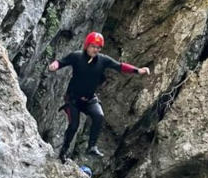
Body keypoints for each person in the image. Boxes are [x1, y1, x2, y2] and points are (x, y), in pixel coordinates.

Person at [48, 32, 150, 162]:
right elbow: (61, 62)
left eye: (98, 47)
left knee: (99, 116)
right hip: (73, 100)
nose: (95, 50)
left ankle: (91, 147)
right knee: (73, 126)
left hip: (89, 99)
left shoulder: (103, 60)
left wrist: (138, 70)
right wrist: (54, 66)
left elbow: (119, 66)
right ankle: (63, 151)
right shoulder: (77, 56)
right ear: (87, 46)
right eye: (93, 46)